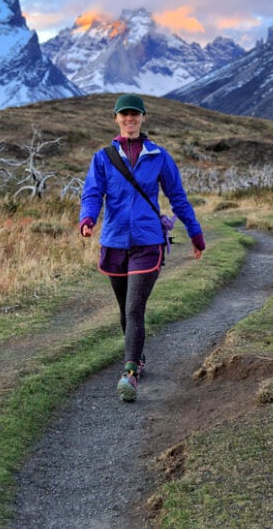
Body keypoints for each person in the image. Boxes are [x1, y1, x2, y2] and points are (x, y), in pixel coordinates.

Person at [79, 94, 205, 402]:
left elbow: (177, 196)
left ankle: (130, 372)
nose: (129, 119)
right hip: (114, 241)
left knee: (135, 307)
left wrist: (195, 232)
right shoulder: (103, 157)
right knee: (125, 309)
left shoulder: (158, 156)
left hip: (148, 241)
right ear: (117, 119)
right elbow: (93, 193)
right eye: (124, 115)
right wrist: (88, 218)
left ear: (143, 118)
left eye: (135, 114)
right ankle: (138, 356)